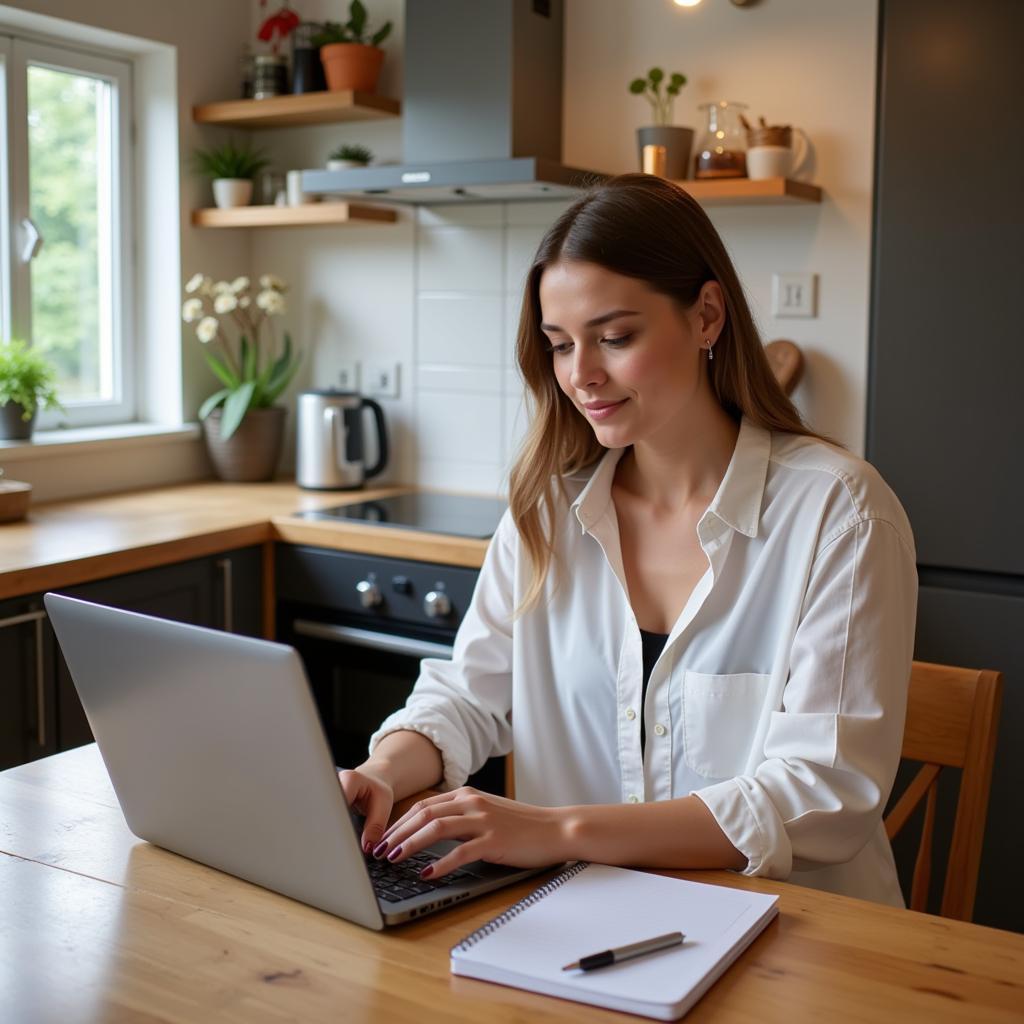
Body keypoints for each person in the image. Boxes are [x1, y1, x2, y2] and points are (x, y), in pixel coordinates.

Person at [339, 173, 918, 905]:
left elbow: (824, 795)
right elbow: (469, 695)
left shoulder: (841, 513)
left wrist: (560, 831)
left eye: (615, 337)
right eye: (559, 345)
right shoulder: (547, 508)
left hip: (800, 941)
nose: (581, 375)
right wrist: (385, 769)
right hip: (588, 927)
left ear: (707, 316)